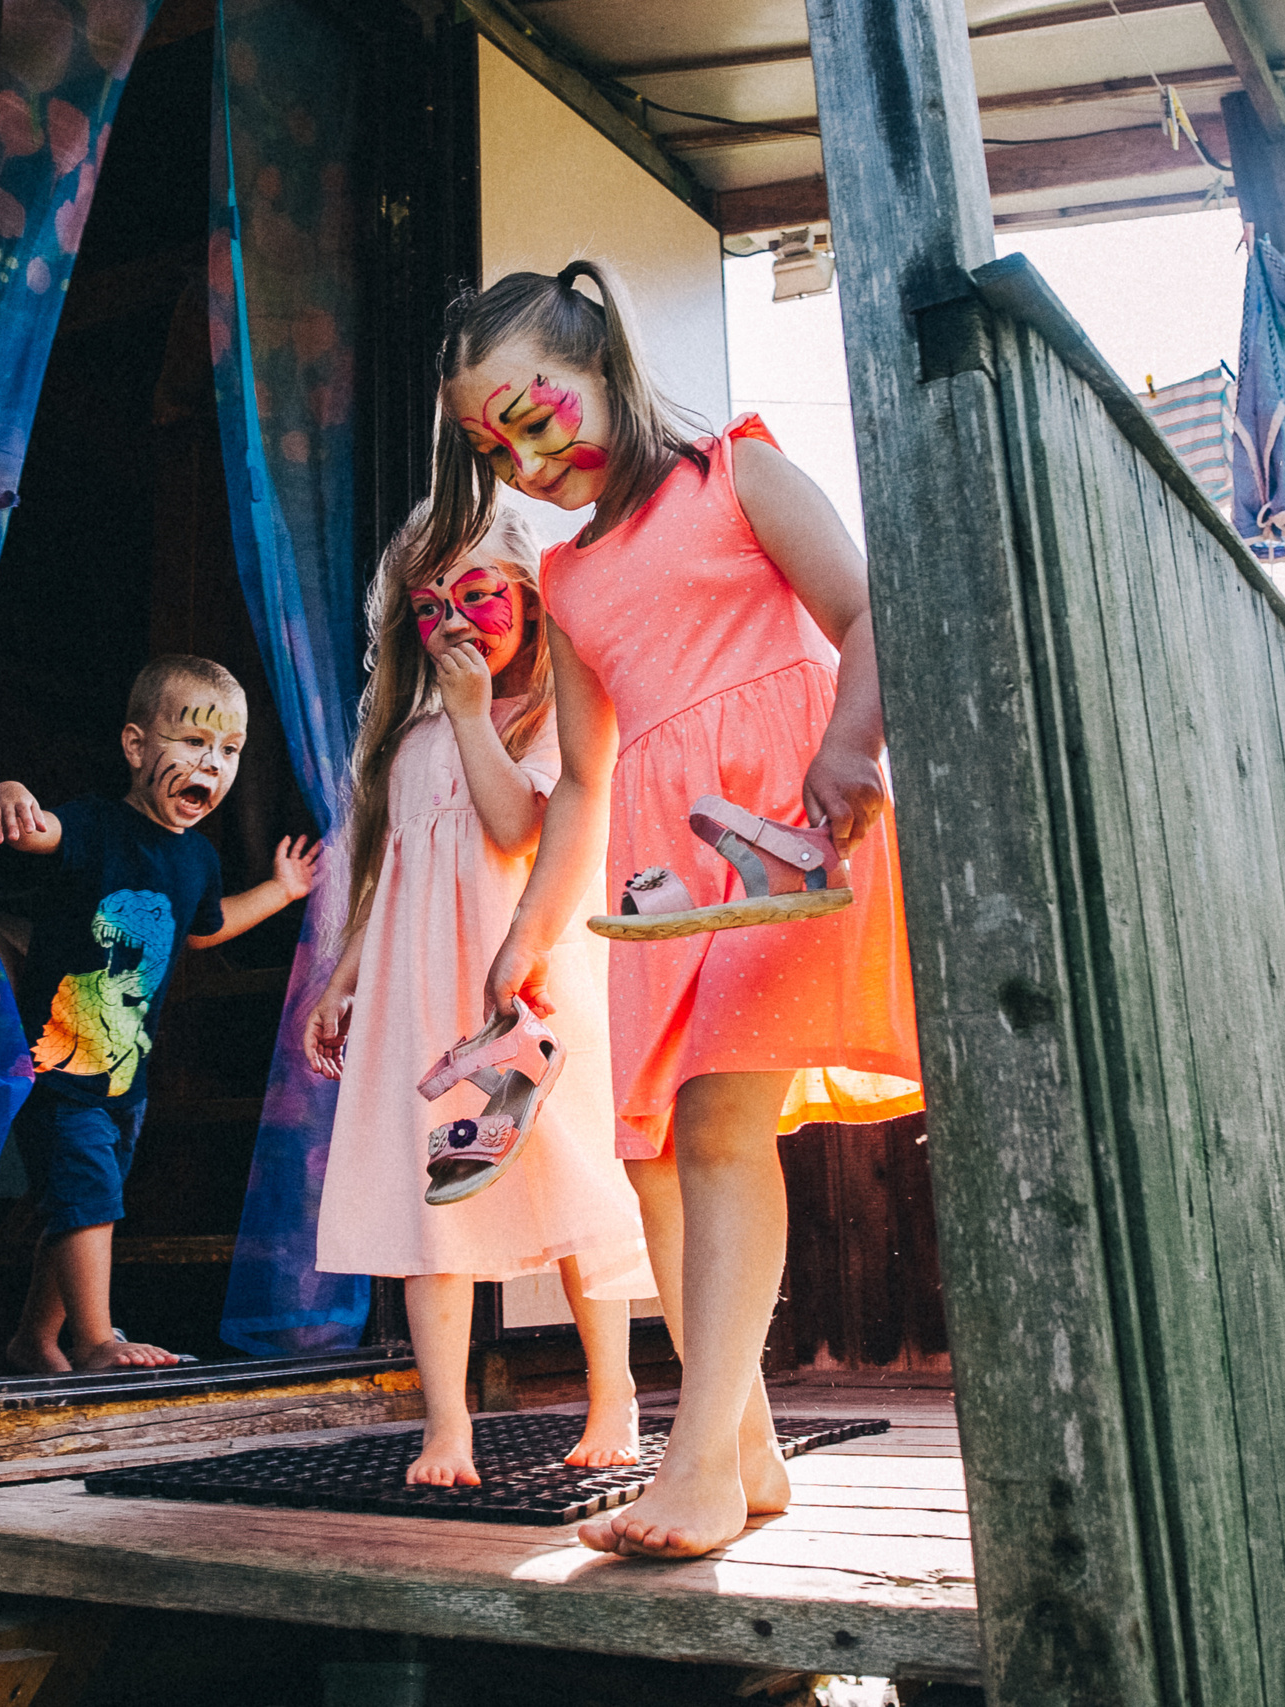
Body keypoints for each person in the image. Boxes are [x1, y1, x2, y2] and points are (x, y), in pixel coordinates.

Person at [441, 262, 924, 1557]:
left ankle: (697, 1460)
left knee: (716, 1126)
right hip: (662, 879)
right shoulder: (573, 574)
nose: (527, 459)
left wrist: (849, 746)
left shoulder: (736, 472)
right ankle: (749, 1445)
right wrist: (525, 943)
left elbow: (868, 607)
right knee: (655, 1148)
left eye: (537, 414)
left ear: (604, 365)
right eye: (496, 444)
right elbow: (589, 774)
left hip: (783, 830)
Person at [305, 500, 651, 1487]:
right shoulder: (411, 731)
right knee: (434, 1204)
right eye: (431, 607)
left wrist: (470, 715)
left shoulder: (545, 716)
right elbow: (390, 868)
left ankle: (612, 1391)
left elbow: (512, 830)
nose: (454, 622)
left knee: (575, 1182)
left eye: (477, 595)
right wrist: (344, 977)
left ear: (530, 601)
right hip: (424, 998)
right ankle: (447, 1425)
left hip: (524, 990)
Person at [0, 654, 319, 1372]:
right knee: (88, 1197)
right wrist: (11, 793)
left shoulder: (195, 856)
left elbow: (206, 925)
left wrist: (282, 891)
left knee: (78, 1205)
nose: (214, 764)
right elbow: (40, 832)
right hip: (61, 1066)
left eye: (229, 751)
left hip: (125, 1081)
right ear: (137, 747)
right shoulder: (98, 826)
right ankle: (95, 1338)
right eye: (195, 743)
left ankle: (34, 1338)